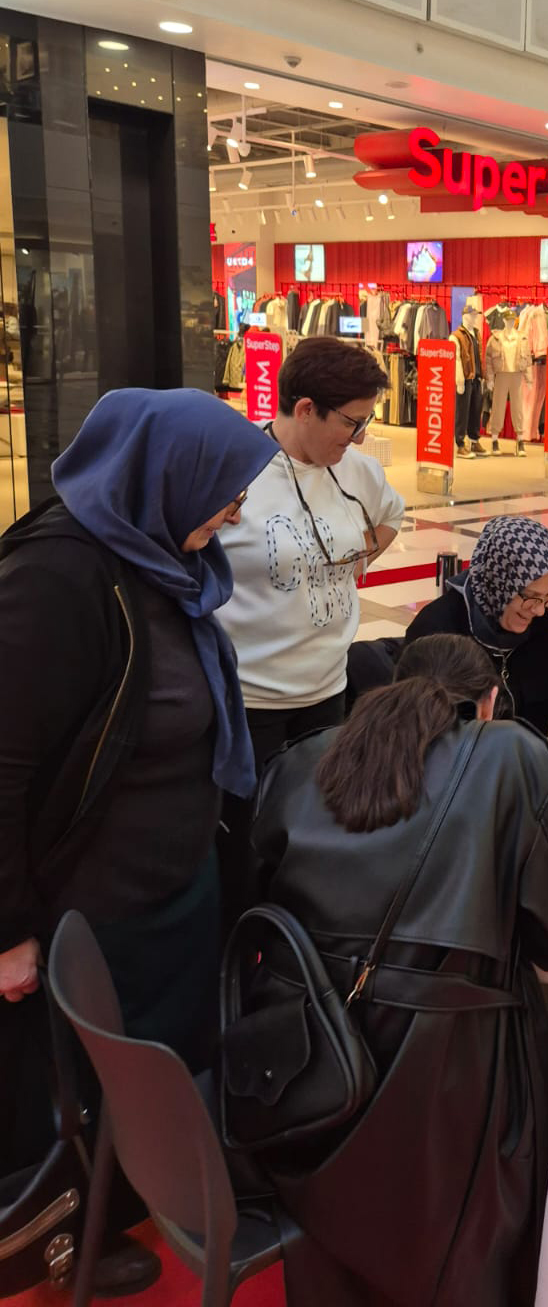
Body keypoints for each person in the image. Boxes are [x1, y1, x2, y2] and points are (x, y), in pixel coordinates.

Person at [0, 388, 278, 1290]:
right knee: (77, 1086)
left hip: (173, 883)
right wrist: (6, 928)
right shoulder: (59, 578)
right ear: (166, 476)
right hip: (92, 903)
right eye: (225, 491)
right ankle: (63, 1236)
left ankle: (130, 1205)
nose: (235, 511)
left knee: (158, 1074)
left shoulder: (161, 557)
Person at [250, 634, 548, 1307]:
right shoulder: (512, 757)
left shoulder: (299, 763)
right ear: (490, 702)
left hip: (303, 1081)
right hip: (449, 1091)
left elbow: (262, 907)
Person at [217, 336, 406, 765]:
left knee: (314, 816)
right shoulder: (235, 467)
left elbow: (391, 515)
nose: (360, 438)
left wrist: (353, 563)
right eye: (351, 423)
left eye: (366, 421)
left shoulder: (358, 471)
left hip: (327, 690)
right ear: (305, 410)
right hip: (249, 699)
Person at [405, 516, 548, 763]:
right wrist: (542, 747)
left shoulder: (539, 623)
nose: (538, 610)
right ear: (499, 581)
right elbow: (441, 741)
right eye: (531, 597)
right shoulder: (438, 632)